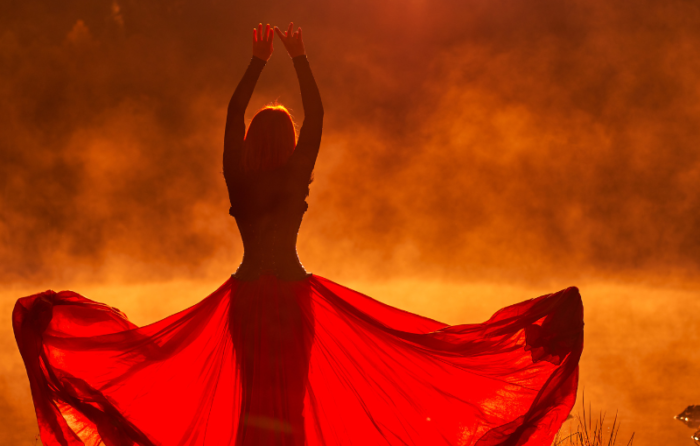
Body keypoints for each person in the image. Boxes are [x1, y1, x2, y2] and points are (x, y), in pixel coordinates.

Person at [13, 22, 584, 446]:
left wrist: (256, 63)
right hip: (292, 299)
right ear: (286, 144)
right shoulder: (294, 177)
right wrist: (300, 56)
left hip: (246, 301)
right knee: (286, 403)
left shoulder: (238, 180)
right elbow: (316, 117)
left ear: (250, 144)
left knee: (253, 401)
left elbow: (232, 115)